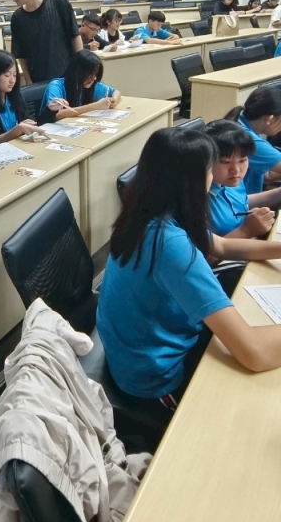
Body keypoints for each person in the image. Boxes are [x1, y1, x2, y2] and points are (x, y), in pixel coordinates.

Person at [96, 127, 281, 420]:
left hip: (134, 354)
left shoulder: (146, 211)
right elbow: (254, 352)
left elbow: (222, 246)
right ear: (196, 179)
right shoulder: (169, 244)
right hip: (155, 381)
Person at [205, 119, 281, 237]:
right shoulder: (196, 199)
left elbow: (241, 201)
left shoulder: (230, 180)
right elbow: (206, 249)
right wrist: (246, 230)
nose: (236, 170)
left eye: (242, 160)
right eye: (225, 162)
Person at [9, 0, 82, 84]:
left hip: (66, 75)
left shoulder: (58, 3)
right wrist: (28, 79)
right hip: (38, 80)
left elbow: (75, 36)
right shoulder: (17, 18)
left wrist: (80, 68)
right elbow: (21, 54)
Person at [39, 50, 120, 123]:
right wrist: (95, 106)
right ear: (78, 72)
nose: (94, 78)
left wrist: (113, 100)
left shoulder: (90, 85)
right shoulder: (56, 86)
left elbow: (116, 92)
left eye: (96, 74)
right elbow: (57, 115)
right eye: (91, 74)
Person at [226, 88, 281, 192]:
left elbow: (267, 176)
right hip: (242, 200)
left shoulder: (243, 121)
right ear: (269, 118)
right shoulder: (247, 139)